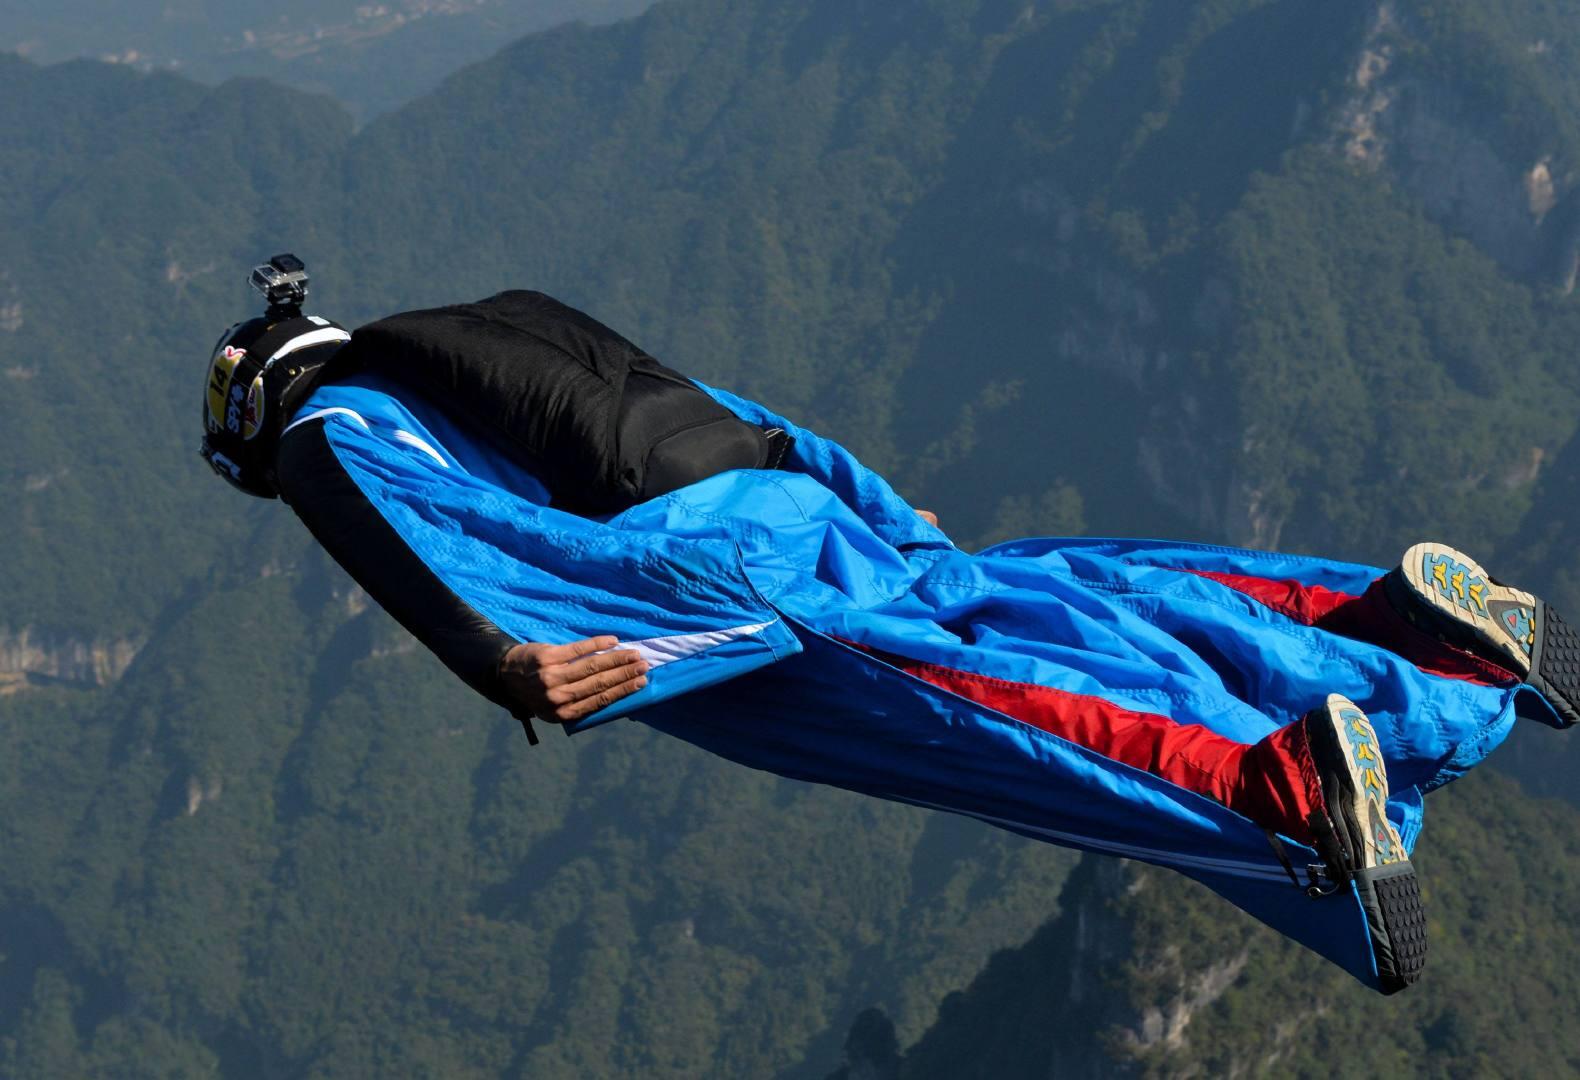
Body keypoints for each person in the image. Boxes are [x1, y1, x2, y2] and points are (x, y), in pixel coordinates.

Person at [201, 256, 1577, 994]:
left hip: (708, 572)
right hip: (772, 482)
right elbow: (695, 408)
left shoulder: (334, 425)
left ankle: (1272, 794)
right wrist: (873, 505)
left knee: (972, 721)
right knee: (1044, 599)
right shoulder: (478, 321)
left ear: (260, 407)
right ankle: (1410, 643)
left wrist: (500, 662)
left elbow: (349, 507)